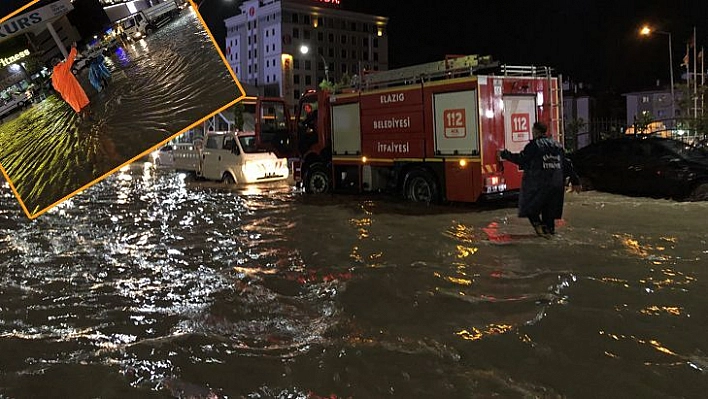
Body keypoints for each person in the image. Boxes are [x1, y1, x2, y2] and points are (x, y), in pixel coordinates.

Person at [499, 121, 581, 237]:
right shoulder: (557, 145)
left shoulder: (534, 146)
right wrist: (575, 181)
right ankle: (549, 234)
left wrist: (505, 154)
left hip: (539, 185)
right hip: (556, 186)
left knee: (529, 207)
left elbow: (521, 159)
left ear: (536, 131)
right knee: (549, 214)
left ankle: (539, 226)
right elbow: (567, 163)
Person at [51, 44, 91, 119]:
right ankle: (90, 121)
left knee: (78, 110)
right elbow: (70, 60)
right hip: (75, 92)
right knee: (85, 106)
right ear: (58, 62)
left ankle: (84, 123)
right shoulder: (62, 68)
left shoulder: (53, 76)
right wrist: (73, 48)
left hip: (68, 96)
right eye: (59, 60)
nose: (60, 60)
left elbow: (56, 87)